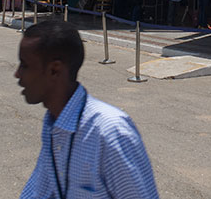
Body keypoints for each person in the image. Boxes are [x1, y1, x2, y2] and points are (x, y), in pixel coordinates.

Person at [15, 20, 159, 199]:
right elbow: (40, 190)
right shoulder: (53, 124)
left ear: (54, 70)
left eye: (24, 65)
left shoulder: (110, 134)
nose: (17, 74)